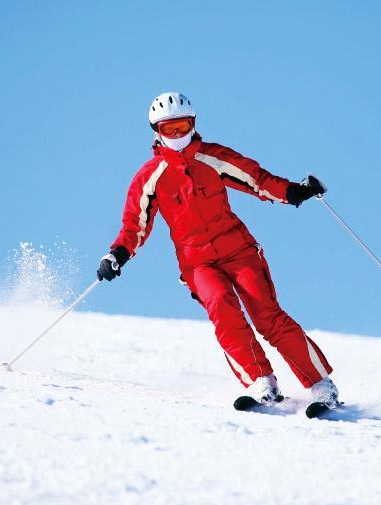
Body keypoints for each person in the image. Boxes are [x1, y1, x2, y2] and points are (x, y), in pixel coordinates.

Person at [97, 92, 338, 407]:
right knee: (223, 311)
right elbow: (135, 226)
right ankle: (261, 382)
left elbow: (257, 180)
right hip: (198, 265)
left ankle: (321, 385)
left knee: (268, 316)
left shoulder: (212, 157)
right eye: (170, 129)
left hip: (239, 252)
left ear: (193, 124)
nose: (178, 135)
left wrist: (293, 192)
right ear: (156, 132)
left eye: (183, 127)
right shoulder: (150, 178)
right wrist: (117, 254)